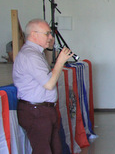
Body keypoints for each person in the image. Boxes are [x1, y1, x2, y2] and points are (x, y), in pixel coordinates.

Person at [13, 19, 73, 153]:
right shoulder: (30, 56)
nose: (51, 37)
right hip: (36, 111)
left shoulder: (37, 53)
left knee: (55, 149)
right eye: (47, 34)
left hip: (43, 110)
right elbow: (49, 84)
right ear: (34, 34)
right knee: (43, 150)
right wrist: (60, 61)